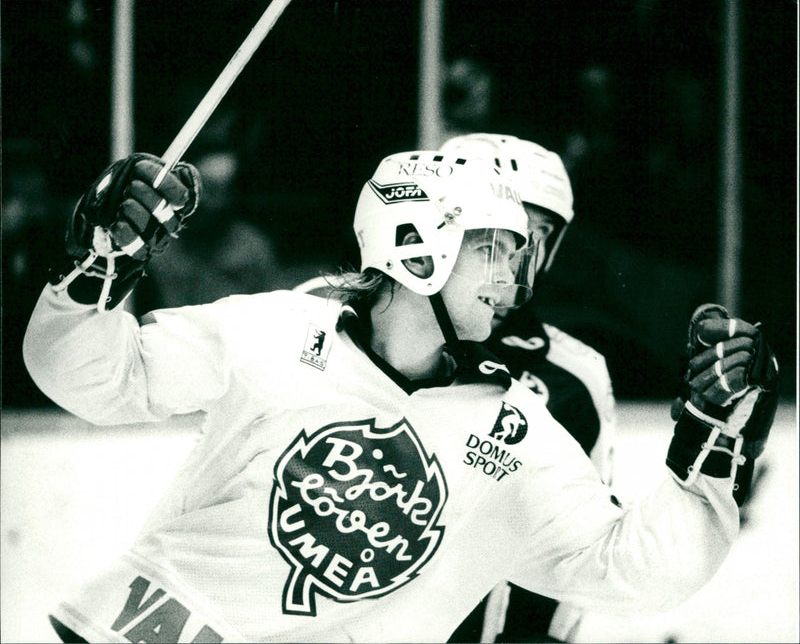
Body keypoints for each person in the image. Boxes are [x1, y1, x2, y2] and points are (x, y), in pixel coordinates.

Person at [24, 150, 778, 643]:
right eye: (496, 249)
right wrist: (101, 265)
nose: (515, 280)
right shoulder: (280, 329)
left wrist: (716, 445)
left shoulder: (516, 432)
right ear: (421, 244)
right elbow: (88, 374)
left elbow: (635, 569)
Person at [439, 134, 615, 643]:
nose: (511, 264)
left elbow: (584, 543)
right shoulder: (343, 330)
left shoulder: (574, 376)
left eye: (532, 239)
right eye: (493, 238)